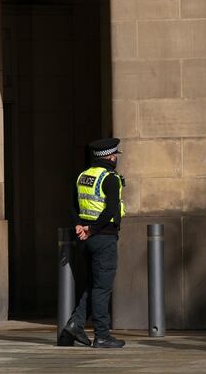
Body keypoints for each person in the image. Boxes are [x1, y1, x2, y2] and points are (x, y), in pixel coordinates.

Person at [62, 137, 126, 349]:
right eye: (114, 154)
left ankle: (75, 324)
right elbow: (111, 210)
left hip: (85, 239)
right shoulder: (110, 178)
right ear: (109, 156)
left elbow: (72, 205)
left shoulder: (83, 176)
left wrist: (79, 226)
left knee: (93, 284)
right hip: (103, 237)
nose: (115, 158)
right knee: (102, 288)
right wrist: (92, 229)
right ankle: (102, 335)